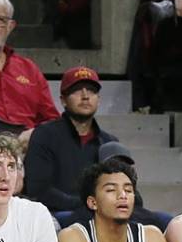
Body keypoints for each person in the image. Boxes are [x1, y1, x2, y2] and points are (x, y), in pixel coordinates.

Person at [23, 66, 118, 213]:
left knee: (161, 220)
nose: (85, 96)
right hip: (59, 213)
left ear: (98, 100)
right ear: (63, 100)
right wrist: (87, 205)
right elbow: (38, 189)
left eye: (91, 90)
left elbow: (125, 187)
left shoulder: (109, 143)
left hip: (102, 213)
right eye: (77, 90)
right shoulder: (45, 135)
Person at [0, 0, 59, 138]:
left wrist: (33, 135)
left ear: (10, 26)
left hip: (29, 149)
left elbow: (52, 120)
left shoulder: (29, 69)